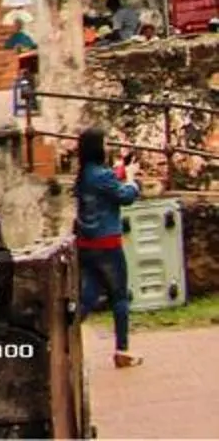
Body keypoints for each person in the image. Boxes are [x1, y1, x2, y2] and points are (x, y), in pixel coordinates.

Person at [75, 126, 146, 369]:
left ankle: (62, 334)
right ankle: (122, 350)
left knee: (88, 296)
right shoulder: (102, 176)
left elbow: (107, 182)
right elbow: (125, 195)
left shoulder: (84, 174)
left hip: (86, 244)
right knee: (119, 296)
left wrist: (122, 170)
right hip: (107, 244)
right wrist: (133, 180)